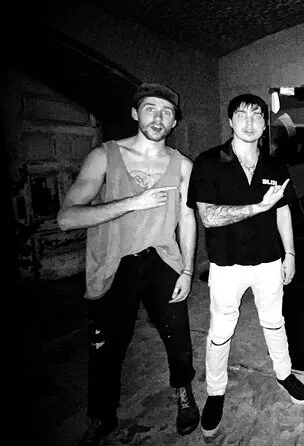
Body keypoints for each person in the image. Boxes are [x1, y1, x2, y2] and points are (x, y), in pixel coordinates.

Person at [57, 82, 200, 446]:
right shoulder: (104, 156)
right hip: (114, 261)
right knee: (107, 346)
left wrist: (186, 269)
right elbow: (67, 218)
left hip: (162, 260)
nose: (158, 118)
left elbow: (187, 218)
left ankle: (184, 392)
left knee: (178, 336)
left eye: (167, 112)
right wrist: (132, 203)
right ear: (136, 113)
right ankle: (101, 414)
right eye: (151, 109)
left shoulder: (183, 165)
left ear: (174, 122)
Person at [187, 93, 304, 438]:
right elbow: (209, 216)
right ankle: (215, 392)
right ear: (230, 121)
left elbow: (283, 212)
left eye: (257, 115)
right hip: (227, 264)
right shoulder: (209, 161)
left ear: (264, 124)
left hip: (269, 260)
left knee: (274, 320)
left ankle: (284, 373)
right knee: (220, 330)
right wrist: (257, 208)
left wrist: (290, 254)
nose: (250, 121)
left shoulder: (275, 166)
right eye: (242, 114)